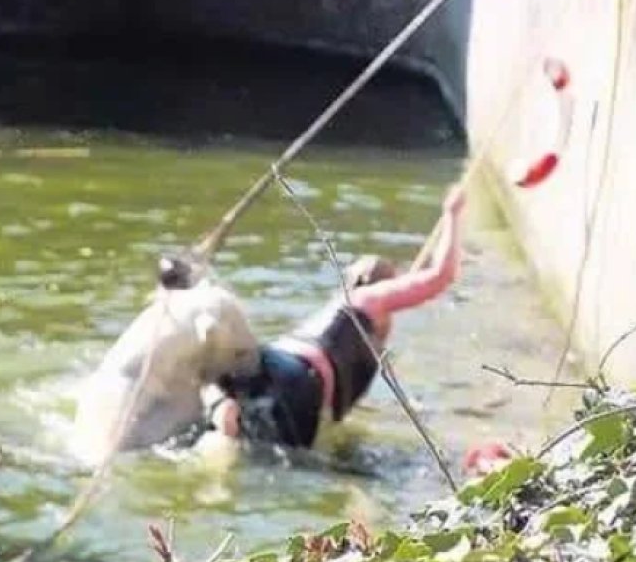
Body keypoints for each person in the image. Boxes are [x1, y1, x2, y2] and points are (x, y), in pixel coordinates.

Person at [197, 183, 467, 449]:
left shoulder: (334, 312)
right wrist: (452, 214)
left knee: (231, 426)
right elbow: (441, 276)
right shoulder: (368, 299)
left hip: (268, 361)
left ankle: (222, 412)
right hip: (301, 381)